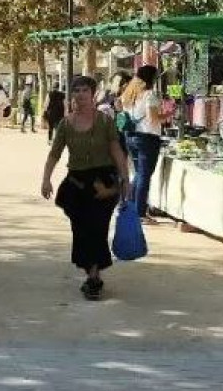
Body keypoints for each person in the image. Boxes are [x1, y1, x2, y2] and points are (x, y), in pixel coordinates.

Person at [41, 75, 131, 301]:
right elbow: (54, 154)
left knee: (97, 228)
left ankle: (94, 277)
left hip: (103, 184)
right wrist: (46, 179)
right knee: (81, 229)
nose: (80, 95)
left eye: (84, 90)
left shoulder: (105, 122)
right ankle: (90, 269)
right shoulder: (65, 124)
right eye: (76, 90)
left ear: (93, 94)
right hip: (77, 184)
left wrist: (125, 179)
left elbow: (116, 151)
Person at [120, 65, 163, 225]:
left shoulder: (129, 94)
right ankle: (139, 213)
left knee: (138, 173)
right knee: (144, 175)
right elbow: (153, 119)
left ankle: (131, 207)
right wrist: (168, 114)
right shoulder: (149, 95)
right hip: (147, 138)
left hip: (131, 136)